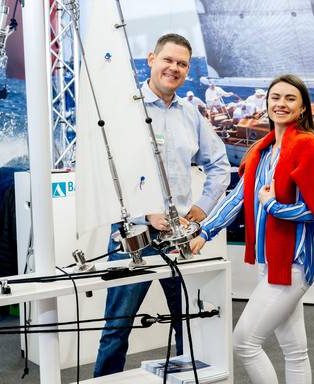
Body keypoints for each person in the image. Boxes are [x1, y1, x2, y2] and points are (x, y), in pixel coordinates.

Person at [94, 33, 231, 377]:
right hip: (134, 236)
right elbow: (104, 171)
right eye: (168, 60)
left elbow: (220, 165)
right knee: (116, 328)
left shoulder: (190, 115)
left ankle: (188, 380)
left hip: (178, 239)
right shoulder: (125, 109)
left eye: (182, 64)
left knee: (188, 323)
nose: (174, 68)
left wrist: (200, 210)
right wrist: (145, 212)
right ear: (151, 59)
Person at [190, 74, 314, 384]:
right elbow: (237, 198)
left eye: (290, 98)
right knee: (295, 350)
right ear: (267, 103)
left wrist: (273, 206)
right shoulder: (262, 150)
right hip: (269, 261)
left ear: (302, 108)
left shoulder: (307, 147)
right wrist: (205, 232)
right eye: (275, 97)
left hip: (294, 263)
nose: (281, 104)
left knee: (244, 342)